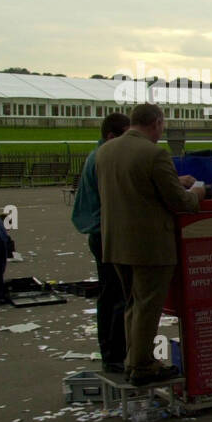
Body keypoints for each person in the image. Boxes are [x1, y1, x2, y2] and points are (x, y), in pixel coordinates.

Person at [95, 103, 203, 384]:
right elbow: (179, 202)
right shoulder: (155, 153)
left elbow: (132, 187)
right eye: (162, 125)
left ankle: (133, 359)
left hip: (116, 242)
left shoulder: (105, 151)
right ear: (155, 122)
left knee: (133, 304)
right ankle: (143, 366)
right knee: (147, 306)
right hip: (149, 245)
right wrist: (198, 193)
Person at [71, 111, 131, 372]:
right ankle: (114, 355)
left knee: (111, 294)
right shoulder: (104, 159)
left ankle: (112, 352)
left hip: (100, 232)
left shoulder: (98, 155)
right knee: (116, 294)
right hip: (105, 233)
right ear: (111, 136)